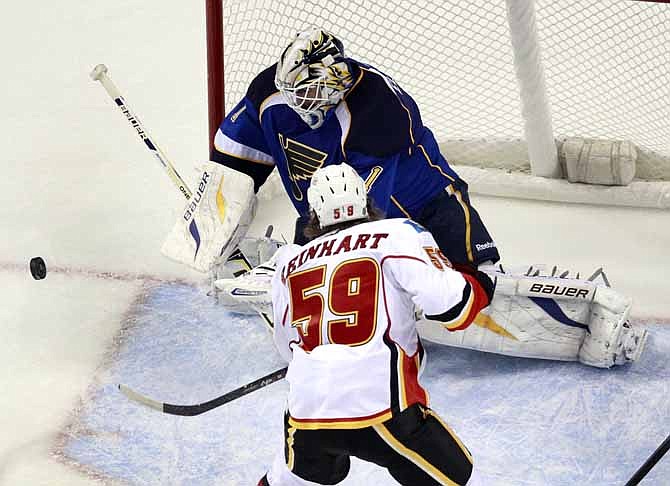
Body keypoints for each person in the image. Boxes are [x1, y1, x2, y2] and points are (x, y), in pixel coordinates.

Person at [161, 29, 646, 368]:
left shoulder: (379, 111)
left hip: (431, 205)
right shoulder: (270, 92)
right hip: (328, 205)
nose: (302, 109)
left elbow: (360, 221)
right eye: (295, 97)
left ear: (339, 80)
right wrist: (211, 229)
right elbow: (234, 156)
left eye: (314, 99)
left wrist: (307, 264)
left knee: (476, 282)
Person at [258, 163, 493, 486]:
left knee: (289, 478)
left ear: (313, 215)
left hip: (308, 411)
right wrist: (480, 284)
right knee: (460, 477)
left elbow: (287, 347)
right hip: (381, 408)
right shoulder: (397, 233)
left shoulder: (289, 261)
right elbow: (451, 307)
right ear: (367, 202)